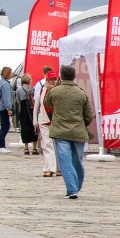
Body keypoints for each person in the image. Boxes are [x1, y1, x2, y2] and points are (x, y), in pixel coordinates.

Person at [42, 65, 95, 199]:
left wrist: (53, 88)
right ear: (74, 76)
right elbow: (89, 114)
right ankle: (77, 186)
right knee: (77, 161)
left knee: (65, 161)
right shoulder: (81, 93)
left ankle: (72, 189)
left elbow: (47, 103)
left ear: (61, 76)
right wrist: (82, 123)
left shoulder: (55, 91)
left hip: (60, 131)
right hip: (78, 131)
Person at [34, 71, 60, 177]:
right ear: (47, 80)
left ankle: (56, 168)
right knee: (47, 144)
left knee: (57, 145)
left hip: (56, 121)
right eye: (51, 79)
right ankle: (50, 168)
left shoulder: (59, 91)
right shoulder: (42, 90)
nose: (53, 81)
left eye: (55, 79)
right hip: (44, 120)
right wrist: (35, 121)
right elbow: (36, 106)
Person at [16, 73, 37, 155]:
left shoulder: (19, 90)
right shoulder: (33, 89)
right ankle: (34, 148)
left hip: (24, 110)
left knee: (24, 128)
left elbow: (18, 101)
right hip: (32, 109)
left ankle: (26, 147)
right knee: (34, 128)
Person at [0, 66, 14, 153]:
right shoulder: (5, 84)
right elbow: (6, 97)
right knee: (5, 126)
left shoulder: (1, 82)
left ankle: (2, 145)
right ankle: (1, 145)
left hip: (1, 106)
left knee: (5, 126)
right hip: (4, 107)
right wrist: (9, 108)